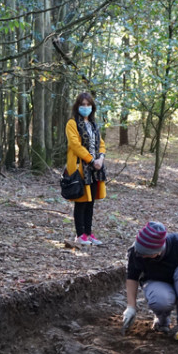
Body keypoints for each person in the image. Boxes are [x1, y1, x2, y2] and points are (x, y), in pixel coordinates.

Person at [121, 222, 178, 341]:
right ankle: (162, 321)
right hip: (157, 283)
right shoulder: (136, 251)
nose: (142, 256)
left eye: (146, 254)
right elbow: (132, 277)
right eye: (140, 253)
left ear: (159, 251)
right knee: (160, 300)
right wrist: (131, 307)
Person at [65, 92, 107, 246]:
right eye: (82, 104)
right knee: (81, 201)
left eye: (88, 104)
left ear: (92, 107)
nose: (85, 107)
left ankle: (88, 234)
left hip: (95, 169)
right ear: (77, 106)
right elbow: (75, 145)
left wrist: (100, 158)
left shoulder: (94, 124)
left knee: (91, 202)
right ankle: (79, 235)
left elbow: (101, 143)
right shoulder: (72, 123)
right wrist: (91, 160)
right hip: (81, 167)